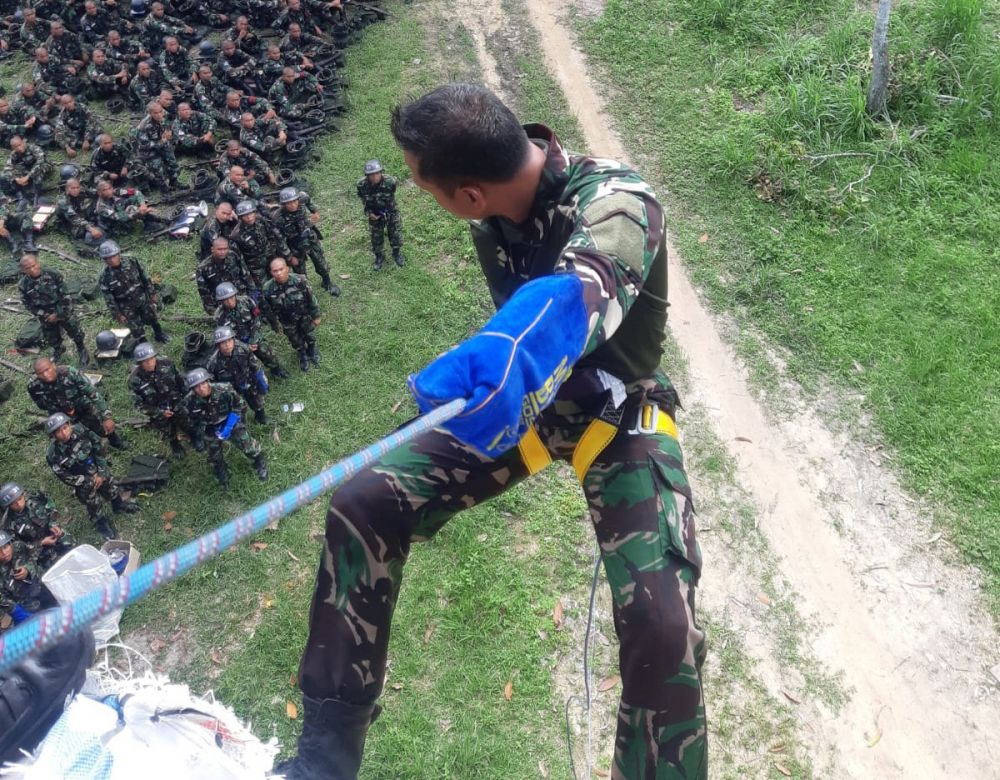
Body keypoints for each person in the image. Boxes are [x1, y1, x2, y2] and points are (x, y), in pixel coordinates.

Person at [276, 84, 706, 780]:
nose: (426, 197)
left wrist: (521, 347)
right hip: (531, 407)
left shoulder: (621, 200)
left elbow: (588, 280)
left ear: (468, 194)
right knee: (364, 502)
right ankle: (323, 763)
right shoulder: (494, 218)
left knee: (665, 629)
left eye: (427, 186)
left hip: (620, 411)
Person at [45, 412, 138, 539]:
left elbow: (97, 447)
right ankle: (100, 522)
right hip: (81, 480)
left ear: (69, 425)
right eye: (58, 432)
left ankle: (118, 505)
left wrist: (101, 472)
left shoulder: (81, 430)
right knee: (91, 499)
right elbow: (64, 476)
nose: (64, 433)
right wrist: (87, 481)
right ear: (53, 435)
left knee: (109, 483)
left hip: (95, 468)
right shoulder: (53, 454)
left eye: (65, 428)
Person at [181, 368, 267, 485]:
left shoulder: (224, 389)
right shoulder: (189, 401)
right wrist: (205, 429)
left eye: (203, 383)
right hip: (210, 428)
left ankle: (259, 461)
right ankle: (221, 471)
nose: (201, 389)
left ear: (208, 381)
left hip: (230, 421)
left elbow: (240, 405)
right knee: (214, 454)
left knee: (247, 444)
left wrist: (230, 424)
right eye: (197, 387)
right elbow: (191, 420)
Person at [28, 356, 128, 450]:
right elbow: (41, 404)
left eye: (47, 369)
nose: (45, 375)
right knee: (68, 437)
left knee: (101, 425)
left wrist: (107, 417)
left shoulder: (69, 373)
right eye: (40, 373)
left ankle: (115, 441)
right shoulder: (33, 385)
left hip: (81, 405)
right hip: (60, 414)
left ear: (53, 365)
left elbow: (92, 393)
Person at [17, 254, 89, 366]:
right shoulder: (23, 285)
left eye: (34, 265)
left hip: (62, 309)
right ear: (23, 270)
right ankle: (58, 350)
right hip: (45, 315)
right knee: (51, 336)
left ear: (38, 263)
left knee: (74, 330)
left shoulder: (52, 274)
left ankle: (81, 349)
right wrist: (45, 315)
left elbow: (65, 296)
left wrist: (58, 314)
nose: (32, 269)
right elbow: (29, 305)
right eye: (28, 268)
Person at [98, 239, 169, 344]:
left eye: (113, 256)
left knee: (152, 317)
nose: (112, 260)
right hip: (126, 307)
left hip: (142, 298)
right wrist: (118, 315)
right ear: (104, 260)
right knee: (135, 328)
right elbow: (109, 300)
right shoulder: (105, 278)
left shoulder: (131, 261)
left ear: (118, 254)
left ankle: (159, 334)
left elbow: (145, 277)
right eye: (108, 258)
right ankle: (143, 341)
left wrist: (152, 293)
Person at [214, 281, 287, 378]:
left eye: (231, 297)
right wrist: (244, 346)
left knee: (267, 353)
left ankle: (276, 369)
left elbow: (257, 319)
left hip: (253, 335)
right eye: (225, 300)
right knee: (243, 362)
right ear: (221, 301)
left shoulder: (247, 301)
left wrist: (254, 339)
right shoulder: (219, 316)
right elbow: (224, 337)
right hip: (236, 342)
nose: (230, 302)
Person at [275, 187, 340, 295]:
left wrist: (314, 211)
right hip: (294, 245)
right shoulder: (278, 218)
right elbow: (279, 240)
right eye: (288, 203)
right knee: (300, 271)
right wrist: (289, 256)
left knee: (320, 262)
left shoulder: (302, 198)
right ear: (283, 204)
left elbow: (307, 199)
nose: (293, 205)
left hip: (309, 238)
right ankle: (306, 290)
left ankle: (327, 283)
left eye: (295, 201)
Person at [127, 342, 188, 456]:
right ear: (140, 363)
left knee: (185, 417)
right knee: (166, 427)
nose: (150, 363)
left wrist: (185, 398)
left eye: (151, 358)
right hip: (157, 409)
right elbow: (138, 405)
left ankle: (189, 432)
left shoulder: (167, 363)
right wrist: (159, 412)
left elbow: (180, 380)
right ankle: (174, 443)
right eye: (145, 361)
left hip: (176, 400)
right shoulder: (134, 380)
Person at [261, 257, 320, 372]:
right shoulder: (268, 288)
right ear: (271, 272)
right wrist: (275, 325)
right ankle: (302, 354)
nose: (279, 273)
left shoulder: (300, 280)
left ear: (287, 268)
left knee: (309, 334)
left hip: (304, 316)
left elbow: (311, 299)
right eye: (275, 271)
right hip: (286, 320)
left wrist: (316, 315)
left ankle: (312, 350)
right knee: (295, 339)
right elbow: (267, 309)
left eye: (281, 269)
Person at [0, 484, 73, 571]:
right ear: (8, 506)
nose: (19, 504)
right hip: (39, 549)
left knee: (72, 549)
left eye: (20, 499)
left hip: (53, 533)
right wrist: (41, 543)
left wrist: (53, 523)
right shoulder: (8, 525)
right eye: (13, 504)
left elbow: (49, 505)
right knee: (56, 569)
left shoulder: (35, 497)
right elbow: (19, 548)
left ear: (23, 494)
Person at [206, 325, 269, 424]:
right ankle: (241, 426)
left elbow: (255, 365)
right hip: (231, 389)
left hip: (248, 381)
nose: (227, 345)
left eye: (229, 341)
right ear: (218, 345)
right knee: (237, 411)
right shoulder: (213, 363)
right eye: (223, 342)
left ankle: (260, 417)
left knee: (258, 401)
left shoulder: (242, 348)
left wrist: (261, 380)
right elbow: (212, 383)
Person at [356, 159, 404, 270]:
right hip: (374, 213)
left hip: (390, 211)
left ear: (381, 172)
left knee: (395, 233)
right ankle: (379, 257)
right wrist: (370, 213)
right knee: (376, 237)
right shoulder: (361, 185)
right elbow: (364, 200)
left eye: (377, 173)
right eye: (371, 175)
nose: (374, 177)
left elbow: (392, 193)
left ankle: (396, 253)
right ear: (367, 175)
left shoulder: (390, 182)